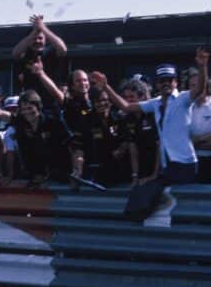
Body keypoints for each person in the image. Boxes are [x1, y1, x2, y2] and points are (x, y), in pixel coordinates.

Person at [93, 47, 209, 184]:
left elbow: (200, 88)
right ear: (157, 84)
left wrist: (202, 66)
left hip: (185, 163)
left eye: (169, 80)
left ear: (176, 82)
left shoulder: (183, 99)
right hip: (167, 164)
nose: (166, 83)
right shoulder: (155, 103)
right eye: (162, 80)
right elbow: (126, 107)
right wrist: (106, 87)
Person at [12, 15, 67, 113]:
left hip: (52, 105)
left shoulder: (51, 53)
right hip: (30, 107)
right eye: (34, 38)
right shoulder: (25, 55)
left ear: (45, 40)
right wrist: (35, 31)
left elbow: (63, 49)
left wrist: (42, 28)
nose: (37, 41)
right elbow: (15, 53)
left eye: (40, 38)